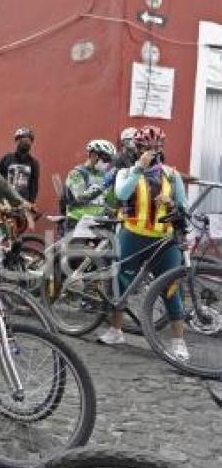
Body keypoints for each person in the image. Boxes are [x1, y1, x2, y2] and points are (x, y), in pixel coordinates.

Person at [99, 125, 189, 360]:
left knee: (170, 288)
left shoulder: (172, 175)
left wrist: (171, 203)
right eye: (147, 149)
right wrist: (139, 169)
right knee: (120, 281)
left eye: (156, 149)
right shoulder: (125, 173)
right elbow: (121, 194)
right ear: (137, 150)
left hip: (165, 239)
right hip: (132, 235)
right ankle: (115, 330)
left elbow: (184, 207)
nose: (152, 153)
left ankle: (178, 342)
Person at [63, 139, 117, 227]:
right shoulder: (77, 173)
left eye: (110, 160)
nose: (107, 163)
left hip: (98, 222)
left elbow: (105, 201)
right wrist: (102, 186)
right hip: (78, 221)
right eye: (106, 158)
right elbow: (80, 197)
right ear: (93, 155)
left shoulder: (103, 175)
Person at [0, 126, 40, 203]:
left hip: (23, 204)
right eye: (23, 139)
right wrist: (0, 199)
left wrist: (31, 202)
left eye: (29, 140)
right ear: (17, 141)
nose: (26, 142)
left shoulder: (34, 163)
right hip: (6, 203)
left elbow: (34, 186)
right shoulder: (7, 159)